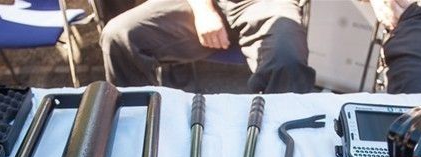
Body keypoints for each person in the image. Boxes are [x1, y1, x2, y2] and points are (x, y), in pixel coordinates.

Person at [100, 0, 315, 93]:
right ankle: (137, 127)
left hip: (267, 5)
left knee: (287, 61)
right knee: (118, 35)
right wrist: (204, 11)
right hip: (203, 4)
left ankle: (279, 145)